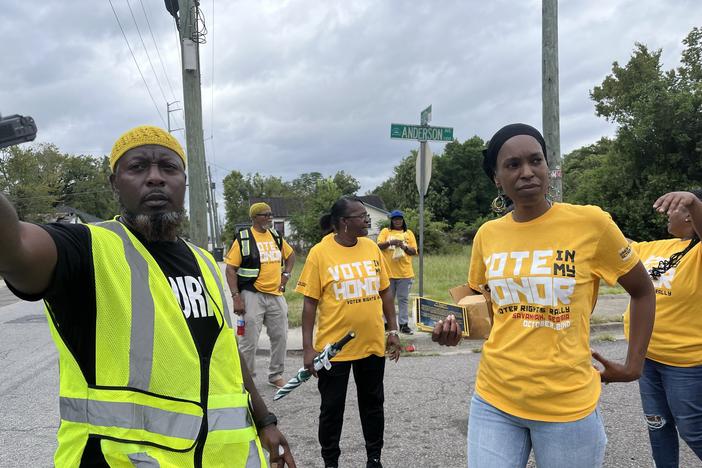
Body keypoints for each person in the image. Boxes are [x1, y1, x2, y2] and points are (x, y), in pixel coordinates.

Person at [0, 125, 296, 467]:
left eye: (168, 168)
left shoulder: (202, 261)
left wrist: (264, 419)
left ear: (184, 182)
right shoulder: (88, 249)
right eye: (138, 167)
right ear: (114, 184)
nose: (155, 178)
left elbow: (226, 351)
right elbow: (14, 247)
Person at [433, 123, 655, 468]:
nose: (527, 172)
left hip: (566, 404)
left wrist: (634, 365)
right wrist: (453, 330)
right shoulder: (488, 235)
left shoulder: (591, 224)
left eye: (535, 161)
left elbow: (643, 291)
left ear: (547, 167)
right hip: (494, 398)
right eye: (512, 165)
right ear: (496, 178)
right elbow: (483, 310)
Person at [295, 196, 401, 468]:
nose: (367, 220)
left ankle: (374, 458)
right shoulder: (320, 253)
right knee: (331, 409)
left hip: (371, 344)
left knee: (373, 404)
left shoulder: (371, 248)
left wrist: (393, 330)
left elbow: (386, 290)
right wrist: (308, 348)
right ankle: (331, 461)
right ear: (343, 223)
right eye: (361, 216)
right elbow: (309, 303)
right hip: (334, 349)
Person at [623, 189, 702, 467]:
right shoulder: (659, 247)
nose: (668, 213)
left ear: (691, 217)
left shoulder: (699, 251)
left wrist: (693, 201)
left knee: (694, 431)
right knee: (658, 426)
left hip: (686, 365)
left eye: (676, 208)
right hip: (647, 359)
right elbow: (618, 243)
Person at [225, 202, 295, 389]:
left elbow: (291, 256)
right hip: (252, 294)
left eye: (271, 214)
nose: (270, 217)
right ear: (254, 218)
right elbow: (230, 269)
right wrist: (236, 297)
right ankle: (245, 380)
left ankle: (276, 375)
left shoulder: (275, 236)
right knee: (249, 340)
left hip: (275, 294)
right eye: (265, 214)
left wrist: (286, 275)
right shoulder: (244, 238)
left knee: (280, 336)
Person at [377, 209, 417, 334]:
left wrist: (403, 246)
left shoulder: (408, 233)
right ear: (391, 221)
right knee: (387, 300)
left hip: (405, 273)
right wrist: (391, 242)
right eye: (395, 219)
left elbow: (414, 251)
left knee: (403, 299)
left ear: (403, 220)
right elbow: (378, 246)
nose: (397, 221)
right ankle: (387, 323)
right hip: (388, 273)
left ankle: (403, 324)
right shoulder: (386, 231)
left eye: (399, 219)